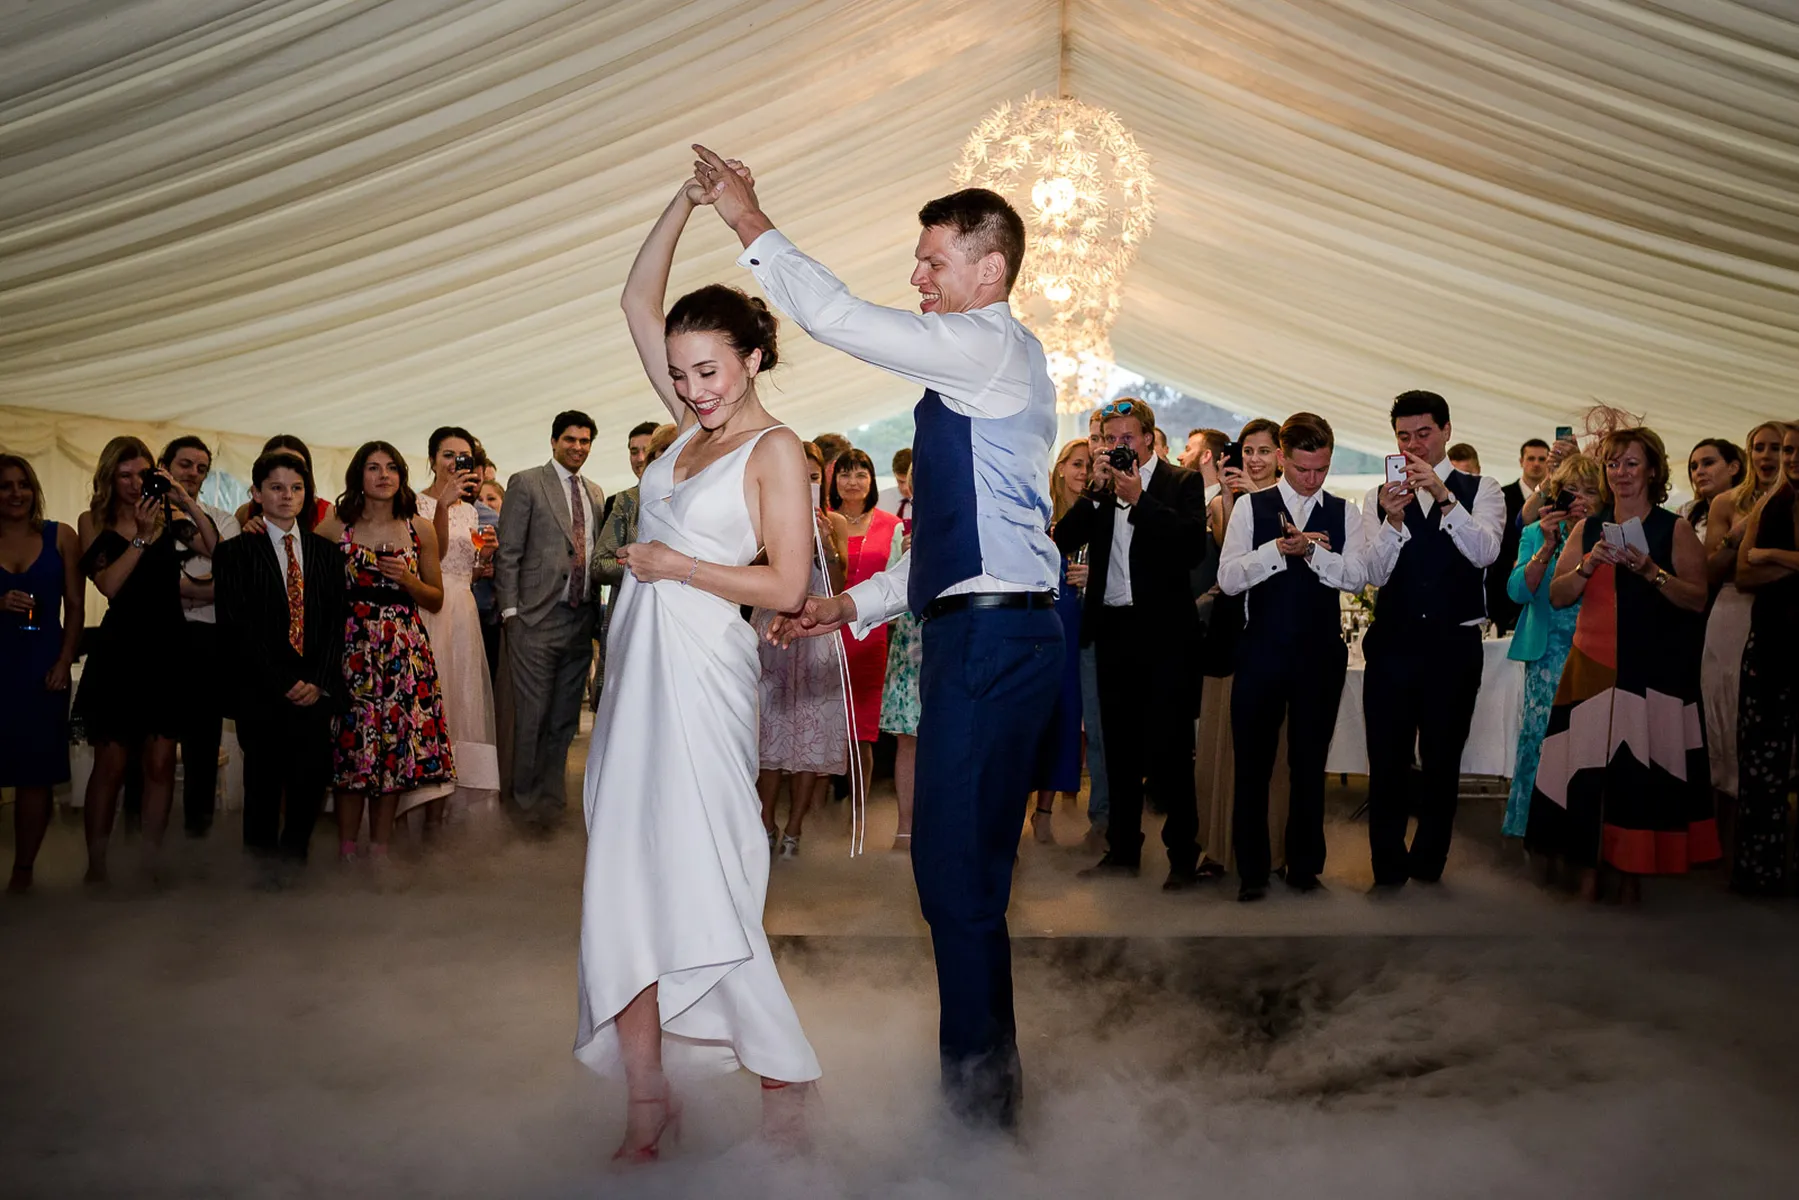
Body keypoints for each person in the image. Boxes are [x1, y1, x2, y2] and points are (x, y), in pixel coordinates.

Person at [710, 150, 1062, 1129]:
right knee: (964, 882)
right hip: (988, 632)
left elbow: (835, 317)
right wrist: (848, 605)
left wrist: (747, 219)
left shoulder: (983, 344)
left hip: (990, 647)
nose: (916, 277)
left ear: (988, 270)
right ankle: (983, 1095)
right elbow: (961, 545)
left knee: (954, 881)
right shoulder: (983, 369)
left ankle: (979, 1116)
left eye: (931, 261)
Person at [581, 171, 821, 1162]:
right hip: (635, 676)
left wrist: (677, 564)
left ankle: (786, 1087)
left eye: (709, 371)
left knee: (707, 882)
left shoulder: (774, 450)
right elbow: (635, 298)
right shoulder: (685, 431)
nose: (692, 389)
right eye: (681, 375)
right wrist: (683, 204)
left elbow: (787, 584)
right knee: (620, 883)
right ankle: (647, 1100)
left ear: (753, 358)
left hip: (704, 676)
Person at [1530, 427, 1716, 902]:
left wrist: (1652, 572)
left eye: (1631, 463)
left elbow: (1697, 599)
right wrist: (1588, 565)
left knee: (1639, 776)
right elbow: (1558, 595)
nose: (1621, 473)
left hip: (1652, 667)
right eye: (1613, 464)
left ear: (1652, 470)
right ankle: (1587, 872)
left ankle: (1633, 873)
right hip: (1591, 665)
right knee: (1587, 771)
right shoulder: (1587, 529)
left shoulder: (1672, 528)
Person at [1054, 397, 1209, 888]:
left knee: (1171, 750)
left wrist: (1141, 498)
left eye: (1126, 438)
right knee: (1117, 748)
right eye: (1109, 439)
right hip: (1112, 629)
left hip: (1165, 634)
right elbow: (1062, 539)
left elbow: (1191, 547)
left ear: (1147, 438)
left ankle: (1182, 856)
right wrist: (1096, 491)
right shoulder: (1101, 489)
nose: (1117, 446)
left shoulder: (1180, 483)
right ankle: (1123, 850)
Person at [1217, 413, 1367, 901]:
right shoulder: (1250, 507)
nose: (1312, 478)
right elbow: (1228, 580)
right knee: (1253, 766)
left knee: (1308, 766)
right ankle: (1253, 872)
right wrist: (1278, 551)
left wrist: (1313, 553)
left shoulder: (1345, 513)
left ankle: (1304, 868)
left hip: (1320, 656)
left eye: (1322, 468)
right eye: (1303, 468)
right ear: (1282, 458)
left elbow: (1356, 578)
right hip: (1261, 650)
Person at [1360, 391, 1506, 888]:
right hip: (1393, 644)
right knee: (1386, 760)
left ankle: (1428, 865)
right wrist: (1392, 522)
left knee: (1442, 760)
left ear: (1446, 430)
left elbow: (1486, 552)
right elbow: (1373, 574)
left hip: (1452, 647)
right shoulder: (1377, 496)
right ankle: (1386, 868)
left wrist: (1445, 497)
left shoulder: (1482, 489)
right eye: (1403, 436)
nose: (1413, 446)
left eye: (1423, 433)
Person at [73, 436, 214, 883]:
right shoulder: (92, 520)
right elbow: (109, 585)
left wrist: (184, 500)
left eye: (143, 474)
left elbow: (216, 549)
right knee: (111, 765)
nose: (136, 484)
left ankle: (150, 863)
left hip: (168, 648)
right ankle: (97, 867)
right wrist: (139, 536)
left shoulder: (170, 516)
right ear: (109, 477)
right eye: (125, 475)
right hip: (120, 650)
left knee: (160, 763)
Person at [315, 443, 454, 863]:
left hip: (402, 652)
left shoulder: (419, 529)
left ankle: (380, 851)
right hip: (351, 647)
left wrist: (408, 580)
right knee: (351, 750)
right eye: (373, 468)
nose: (383, 475)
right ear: (358, 475)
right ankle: (346, 849)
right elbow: (310, 584)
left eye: (391, 467)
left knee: (394, 748)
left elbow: (435, 599)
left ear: (402, 476)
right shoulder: (335, 525)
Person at [214, 450, 346, 877]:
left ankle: (295, 862)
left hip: (314, 688)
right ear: (256, 493)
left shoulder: (327, 554)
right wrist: (281, 680)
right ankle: (261, 872)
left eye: (296, 488)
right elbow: (237, 626)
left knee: (312, 778)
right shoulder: (234, 552)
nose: (287, 496)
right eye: (276, 487)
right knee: (263, 783)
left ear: (306, 494)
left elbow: (335, 624)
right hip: (261, 688)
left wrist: (319, 680)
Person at [494, 411, 604, 832]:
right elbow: (508, 553)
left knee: (564, 720)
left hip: (581, 618)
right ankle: (523, 805)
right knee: (533, 717)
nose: (578, 447)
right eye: (570, 440)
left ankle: (552, 804)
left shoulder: (595, 492)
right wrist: (511, 614)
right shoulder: (526, 483)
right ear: (554, 441)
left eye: (585, 441)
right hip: (535, 619)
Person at [1195, 418, 1285, 878]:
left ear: (1281, 457)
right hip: (1230, 633)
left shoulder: (1291, 503)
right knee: (1220, 741)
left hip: (1274, 633)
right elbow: (1228, 558)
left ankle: (1273, 851)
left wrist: (1259, 501)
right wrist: (1236, 501)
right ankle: (1217, 848)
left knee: (1273, 753)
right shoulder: (1226, 502)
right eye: (1248, 451)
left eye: (1264, 451)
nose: (1254, 459)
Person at [757, 441, 850, 860]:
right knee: (769, 730)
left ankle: (795, 827)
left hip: (816, 632)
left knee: (811, 733)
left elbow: (838, 583)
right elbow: (752, 569)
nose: (806, 482)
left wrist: (825, 544)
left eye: (812, 477)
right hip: (774, 629)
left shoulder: (835, 522)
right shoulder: (765, 517)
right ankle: (764, 820)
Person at [1501, 453, 1601, 840]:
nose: (1580, 500)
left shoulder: (1608, 535)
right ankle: (1536, 829)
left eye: (1590, 491)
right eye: (1571, 491)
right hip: (1547, 652)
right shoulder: (1536, 532)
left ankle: (1585, 832)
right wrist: (1546, 546)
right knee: (1541, 739)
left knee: (1591, 740)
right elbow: (1517, 592)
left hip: (1598, 649)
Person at [0, 454, 82, 893]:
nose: (16, 493)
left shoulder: (61, 536)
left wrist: (65, 661)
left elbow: (76, 607)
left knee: (35, 774)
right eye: (5, 486)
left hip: (43, 668)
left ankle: (23, 871)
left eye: (23, 484)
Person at [414, 426, 501, 827]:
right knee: (435, 701)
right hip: (431, 609)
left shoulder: (471, 510)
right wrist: (442, 506)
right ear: (432, 459)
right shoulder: (414, 503)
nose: (454, 463)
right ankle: (423, 800)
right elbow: (433, 559)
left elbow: (466, 570)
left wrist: (484, 562)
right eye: (447, 455)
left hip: (464, 611)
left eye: (462, 457)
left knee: (463, 702)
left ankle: (456, 804)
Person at [153, 436, 239, 837]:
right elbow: (137, 584)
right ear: (164, 466)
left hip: (207, 639)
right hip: (155, 636)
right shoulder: (145, 518)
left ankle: (197, 841)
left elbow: (233, 579)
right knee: (149, 746)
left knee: (201, 748)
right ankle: (142, 839)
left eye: (201, 468)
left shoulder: (222, 520)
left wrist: (178, 588)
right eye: (185, 464)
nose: (193, 473)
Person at [1728, 421, 1799, 895]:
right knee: (1759, 766)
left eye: (1793, 450)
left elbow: (1757, 561)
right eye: (1787, 450)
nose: (1790, 459)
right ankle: (1758, 873)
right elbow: (1743, 574)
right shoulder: (1771, 504)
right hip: (1770, 645)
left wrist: (1771, 555)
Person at [1700, 423, 1784, 814]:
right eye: (1758, 447)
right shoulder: (1726, 502)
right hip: (1732, 611)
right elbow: (1710, 571)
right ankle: (1725, 818)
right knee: (1725, 712)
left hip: (1783, 614)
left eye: (1777, 447)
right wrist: (1737, 536)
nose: (1767, 455)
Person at [1029, 438, 1092, 845]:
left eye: (1089, 465)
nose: (1083, 472)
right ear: (1061, 467)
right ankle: (1014, 805)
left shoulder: (1100, 513)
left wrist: (1093, 576)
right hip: (1039, 620)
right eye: (1077, 464)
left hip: (1078, 622)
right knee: (1031, 716)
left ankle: (1045, 812)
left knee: (1066, 717)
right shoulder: (1041, 513)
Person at [830, 448, 903, 791]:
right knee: (826, 724)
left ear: (872, 480)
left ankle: (856, 810)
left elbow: (898, 582)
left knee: (862, 732)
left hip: (871, 636)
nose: (852, 481)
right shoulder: (823, 521)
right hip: (827, 632)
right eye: (845, 474)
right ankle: (818, 807)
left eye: (861, 474)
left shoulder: (892, 525)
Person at [590, 420, 661, 699]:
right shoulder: (624, 501)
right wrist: (648, 565)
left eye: (649, 450)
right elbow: (599, 564)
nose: (641, 458)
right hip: (631, 615)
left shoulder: (695, 498)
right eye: (634, 451)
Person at [1073, 406, 1113, 852]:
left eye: (1108, 438)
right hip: (1088, 625)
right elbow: (1062, 540)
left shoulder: (1139, 486)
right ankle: (1101, 819)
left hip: (1131, 624)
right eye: (1095, 438)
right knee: (1097, 731)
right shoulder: (1089, 492)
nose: (1101, 446)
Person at [880, 446, 923, 850]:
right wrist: (905, 558)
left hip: (950, 633)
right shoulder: (900, 530)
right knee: (907, 736)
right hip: (911, 636)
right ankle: (905, 826)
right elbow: (890, 588)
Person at [1489, 438, 1552, 637]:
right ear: (1521, 461)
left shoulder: (1556, 499)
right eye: (1531, 458)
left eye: (1542, 459)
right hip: (1504, 583)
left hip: (1545, 584)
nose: (1536, 464)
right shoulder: (1502, 495)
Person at [235, 434, 332, 531]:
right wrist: (247, 536)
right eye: (279, 462)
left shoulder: (327, 513)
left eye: (297, 465)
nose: (288, 471)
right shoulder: (245, 513)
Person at [1684, 438, 1743, 540]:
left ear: (1733, 468)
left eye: (1708, 463)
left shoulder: (1751, 508)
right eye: (1694, 467)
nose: (1699, 472)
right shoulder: (1687, 511)